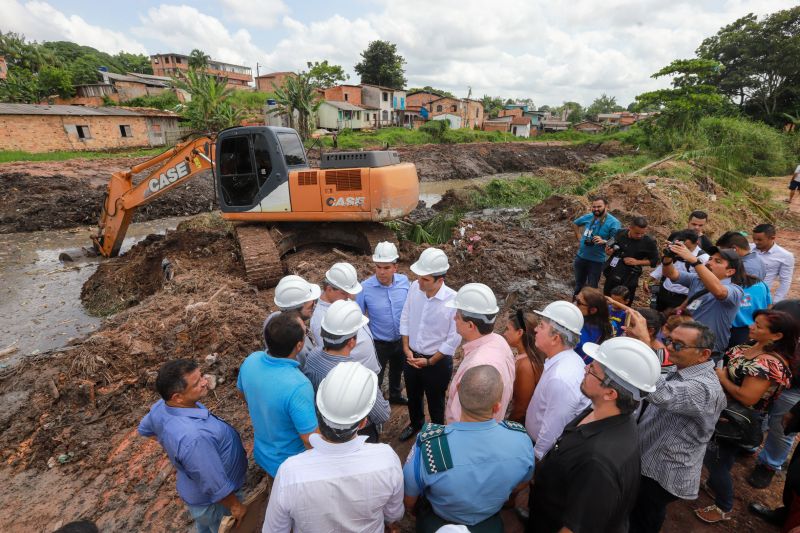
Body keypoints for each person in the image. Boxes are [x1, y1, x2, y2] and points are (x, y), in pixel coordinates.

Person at [527, 337, 661, 533]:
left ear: (610, 393)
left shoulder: (597, 461)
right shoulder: (604, 413)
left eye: (592, 371)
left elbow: (575, 528)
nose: (585, 369)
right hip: (545, 511)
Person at [263, 362, 404, 533]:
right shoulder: (386, 460)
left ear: (319, 411)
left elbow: (274, 530)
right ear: (363, 422)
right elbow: (393, 514)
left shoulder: (290, 473)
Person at [695, 309, 798, 524]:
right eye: (754, 322)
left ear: (776, 336)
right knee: (724, 456)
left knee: (716, 460)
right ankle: (715, 485)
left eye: (759, 326)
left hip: (735, 420)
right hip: (725, 413)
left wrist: (722, 378)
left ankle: (724, 505)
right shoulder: (753, 347)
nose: (751, 327)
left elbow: (748, 398)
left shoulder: (768, 364)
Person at [404, 365, 535, 532]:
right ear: (497, 407)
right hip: (489, 520)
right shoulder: (520, 440)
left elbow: (409, 499)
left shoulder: (431, 445)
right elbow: (523, 482)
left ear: (458, 392)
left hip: (438, 520)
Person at [628, 321, 726, 533]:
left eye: (679, 345)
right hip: (651, 456)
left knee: (643, 518)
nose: (670, 347)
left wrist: (647, 343)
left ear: (703, 354)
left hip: (663, 471)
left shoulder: (705, 387)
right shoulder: (682, 368)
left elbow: (658, 392)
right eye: (669, 341)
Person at [139, 359, 248, 533]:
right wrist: (235, 506)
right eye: (197, 383)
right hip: (215, 504)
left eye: (201, 376)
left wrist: (173, 445)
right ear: (178, 397)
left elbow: (144, 428)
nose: (205, 382)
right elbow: (214, 484)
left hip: (197, 495)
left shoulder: (161, 407)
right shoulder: (192, 438)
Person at [238, 312, 317, 477]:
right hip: (292, 466)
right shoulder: (298, 385)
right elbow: (310, 440)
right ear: (299, 346)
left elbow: (242, 393)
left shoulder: (251, 360)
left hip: (264, 455)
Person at [303, 300, 391, 443]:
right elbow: (382, 415)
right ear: (351, 342)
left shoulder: (312, 356)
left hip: (324, 429)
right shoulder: (359, 376)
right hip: (359, 434)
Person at [398, 248, 461, 441]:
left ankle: (436, 432)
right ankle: (416, 423)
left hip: (437, 362)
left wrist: (431, 361)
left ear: (439, 280)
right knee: (413, 395)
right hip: (412, 355)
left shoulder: (453, 300)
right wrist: (406, 348)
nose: (419, 282)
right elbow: (406, 316)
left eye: (425, 279)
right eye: (419, 277)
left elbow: (454, 337)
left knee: (435, 400)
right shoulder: (414, 289)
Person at [524, 301, 590, 460]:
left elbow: (553, 430)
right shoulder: (568, 361)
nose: (535, 329)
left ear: (555, 338)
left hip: (542, 453)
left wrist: (536, 461)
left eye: (541, 326)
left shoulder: (561, 378)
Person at [444, 283, 515, 424]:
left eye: (457, 316)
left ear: (471, 325)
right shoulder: (499, 341)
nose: (454, 319)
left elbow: (462, 419)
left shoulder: (477, 368)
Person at [749, 300, 800, 490]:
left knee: (782, 428)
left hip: (796, 387)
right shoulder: (788, 306)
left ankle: (769, 464)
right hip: (768, 375)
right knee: (757, 413)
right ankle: (749, 443)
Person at [661, 244, 745, 358]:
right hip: (683, 345)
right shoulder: (697, 279)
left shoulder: (735, 290)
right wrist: (668, 258)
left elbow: (719, 292)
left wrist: (695, 261)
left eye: (718, 261)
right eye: (710, 259)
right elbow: (670, 274)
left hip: (707, 352)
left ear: (729, 272)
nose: (710, 263)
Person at [357, 241, 411, 404]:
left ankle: (395, 395)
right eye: (378, 267)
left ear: (395, 267)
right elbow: (359, 317)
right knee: (376, 375)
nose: (381, 272)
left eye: (386, 267)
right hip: (379, 343)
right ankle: (375, 403)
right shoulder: (365, 288)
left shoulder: (404, 282)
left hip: (401, 339)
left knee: (397, 370)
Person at [310, 262, 381, 374]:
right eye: (344, 293)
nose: (350, 297)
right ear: (329, 289)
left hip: (369, 368)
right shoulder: (321, 319)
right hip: (357, 375)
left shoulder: (343, 300)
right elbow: (332, 357)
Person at [264, 274, 321, 369]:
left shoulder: (272, 319)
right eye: (311, 302)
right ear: (297, 306)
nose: (314, 304)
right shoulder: (300, 346)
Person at [646, 229, 709, 312]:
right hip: (665, 291)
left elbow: (702, 284)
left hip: (682, 297)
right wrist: (648, 280)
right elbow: (664, 265)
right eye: (683, 245)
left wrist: (686, 305)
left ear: (697, 243)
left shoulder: (704, 258)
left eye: (688, 247)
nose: (684, 250)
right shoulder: (677, 247)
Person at [572, 195, 622, 296]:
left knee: (592, 288)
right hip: (581, 257)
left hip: (596, 261)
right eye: (594, 207)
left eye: (599, 206)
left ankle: (589, 309)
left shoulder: (614, 223)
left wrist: (604, 241)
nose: (596, 209)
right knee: (578, 285)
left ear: (606, 207)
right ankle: (575, 306)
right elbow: (575, 223)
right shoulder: (589, 216)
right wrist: (579, 237)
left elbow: (616, 241)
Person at [602, 216, 660, 304]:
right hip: (613, 270)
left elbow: (655, 260)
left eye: (642, 233)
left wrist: (637, 262)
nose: (640, 236)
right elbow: (611, 246)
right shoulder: (620, 233)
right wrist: (608, 251)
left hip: (630, 275)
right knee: (607, 298)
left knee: (625, 301)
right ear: (630, 228)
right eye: (637, 233)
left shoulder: (649, 242)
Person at [502, 309, 543, 423]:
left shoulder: (526, 366)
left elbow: (521, 408)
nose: (504, 333)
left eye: (507, 329)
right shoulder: (526, 357)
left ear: (519, 332)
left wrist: (507, 426)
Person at [752, 223, 795, 302]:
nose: (755, 242)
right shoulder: (747, 248)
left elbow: (785, 281)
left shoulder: (785, 256)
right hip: (740, 292)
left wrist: (776, 302)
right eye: (754, 239)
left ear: (772, 238)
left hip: (761, 296)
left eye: (759, 240)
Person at [727, 273, 772, 349]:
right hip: (757, 330)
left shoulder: (725, 286)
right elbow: (769, 306)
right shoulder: (760, 284)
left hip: (734, 332)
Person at [574, 287, 614, 362]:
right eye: (576, 298)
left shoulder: (588, 330)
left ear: (592, 310)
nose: (574, 304)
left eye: (579, 302)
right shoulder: (600, 317)